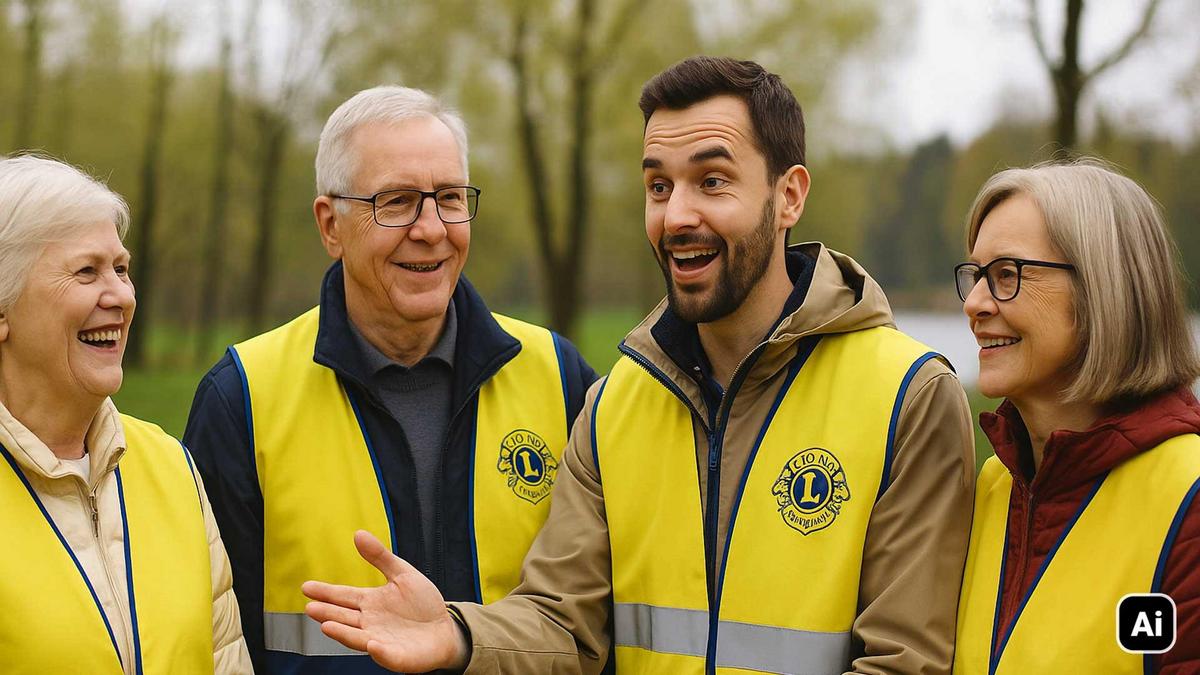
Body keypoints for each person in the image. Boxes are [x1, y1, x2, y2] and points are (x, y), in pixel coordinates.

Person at [302, 56, 976, 674]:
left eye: (712, 181)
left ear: (789, 195)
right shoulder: (615, 402)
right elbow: (564, 627)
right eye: (659, 185)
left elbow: (905, 663)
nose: (676, 215)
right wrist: (460, 635)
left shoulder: (907, 396)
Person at [184, 86, 597, 673]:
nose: (431, 229)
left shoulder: (560, 377)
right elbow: (212, 643)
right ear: (331, 225)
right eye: (397, 202)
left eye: (449, 198)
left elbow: (592, 623)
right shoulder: (241, 399)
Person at [0, 154, 251, 673]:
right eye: (86, 271)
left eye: (121, 268)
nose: (120, 296)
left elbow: (225, 659)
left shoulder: (172, 466)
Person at [951, 159, 1200, 673]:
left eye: (1006, 275)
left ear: (1103, 289)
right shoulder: (994, 486)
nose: (974, 303)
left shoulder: (1188, 499)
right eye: (975, 276)